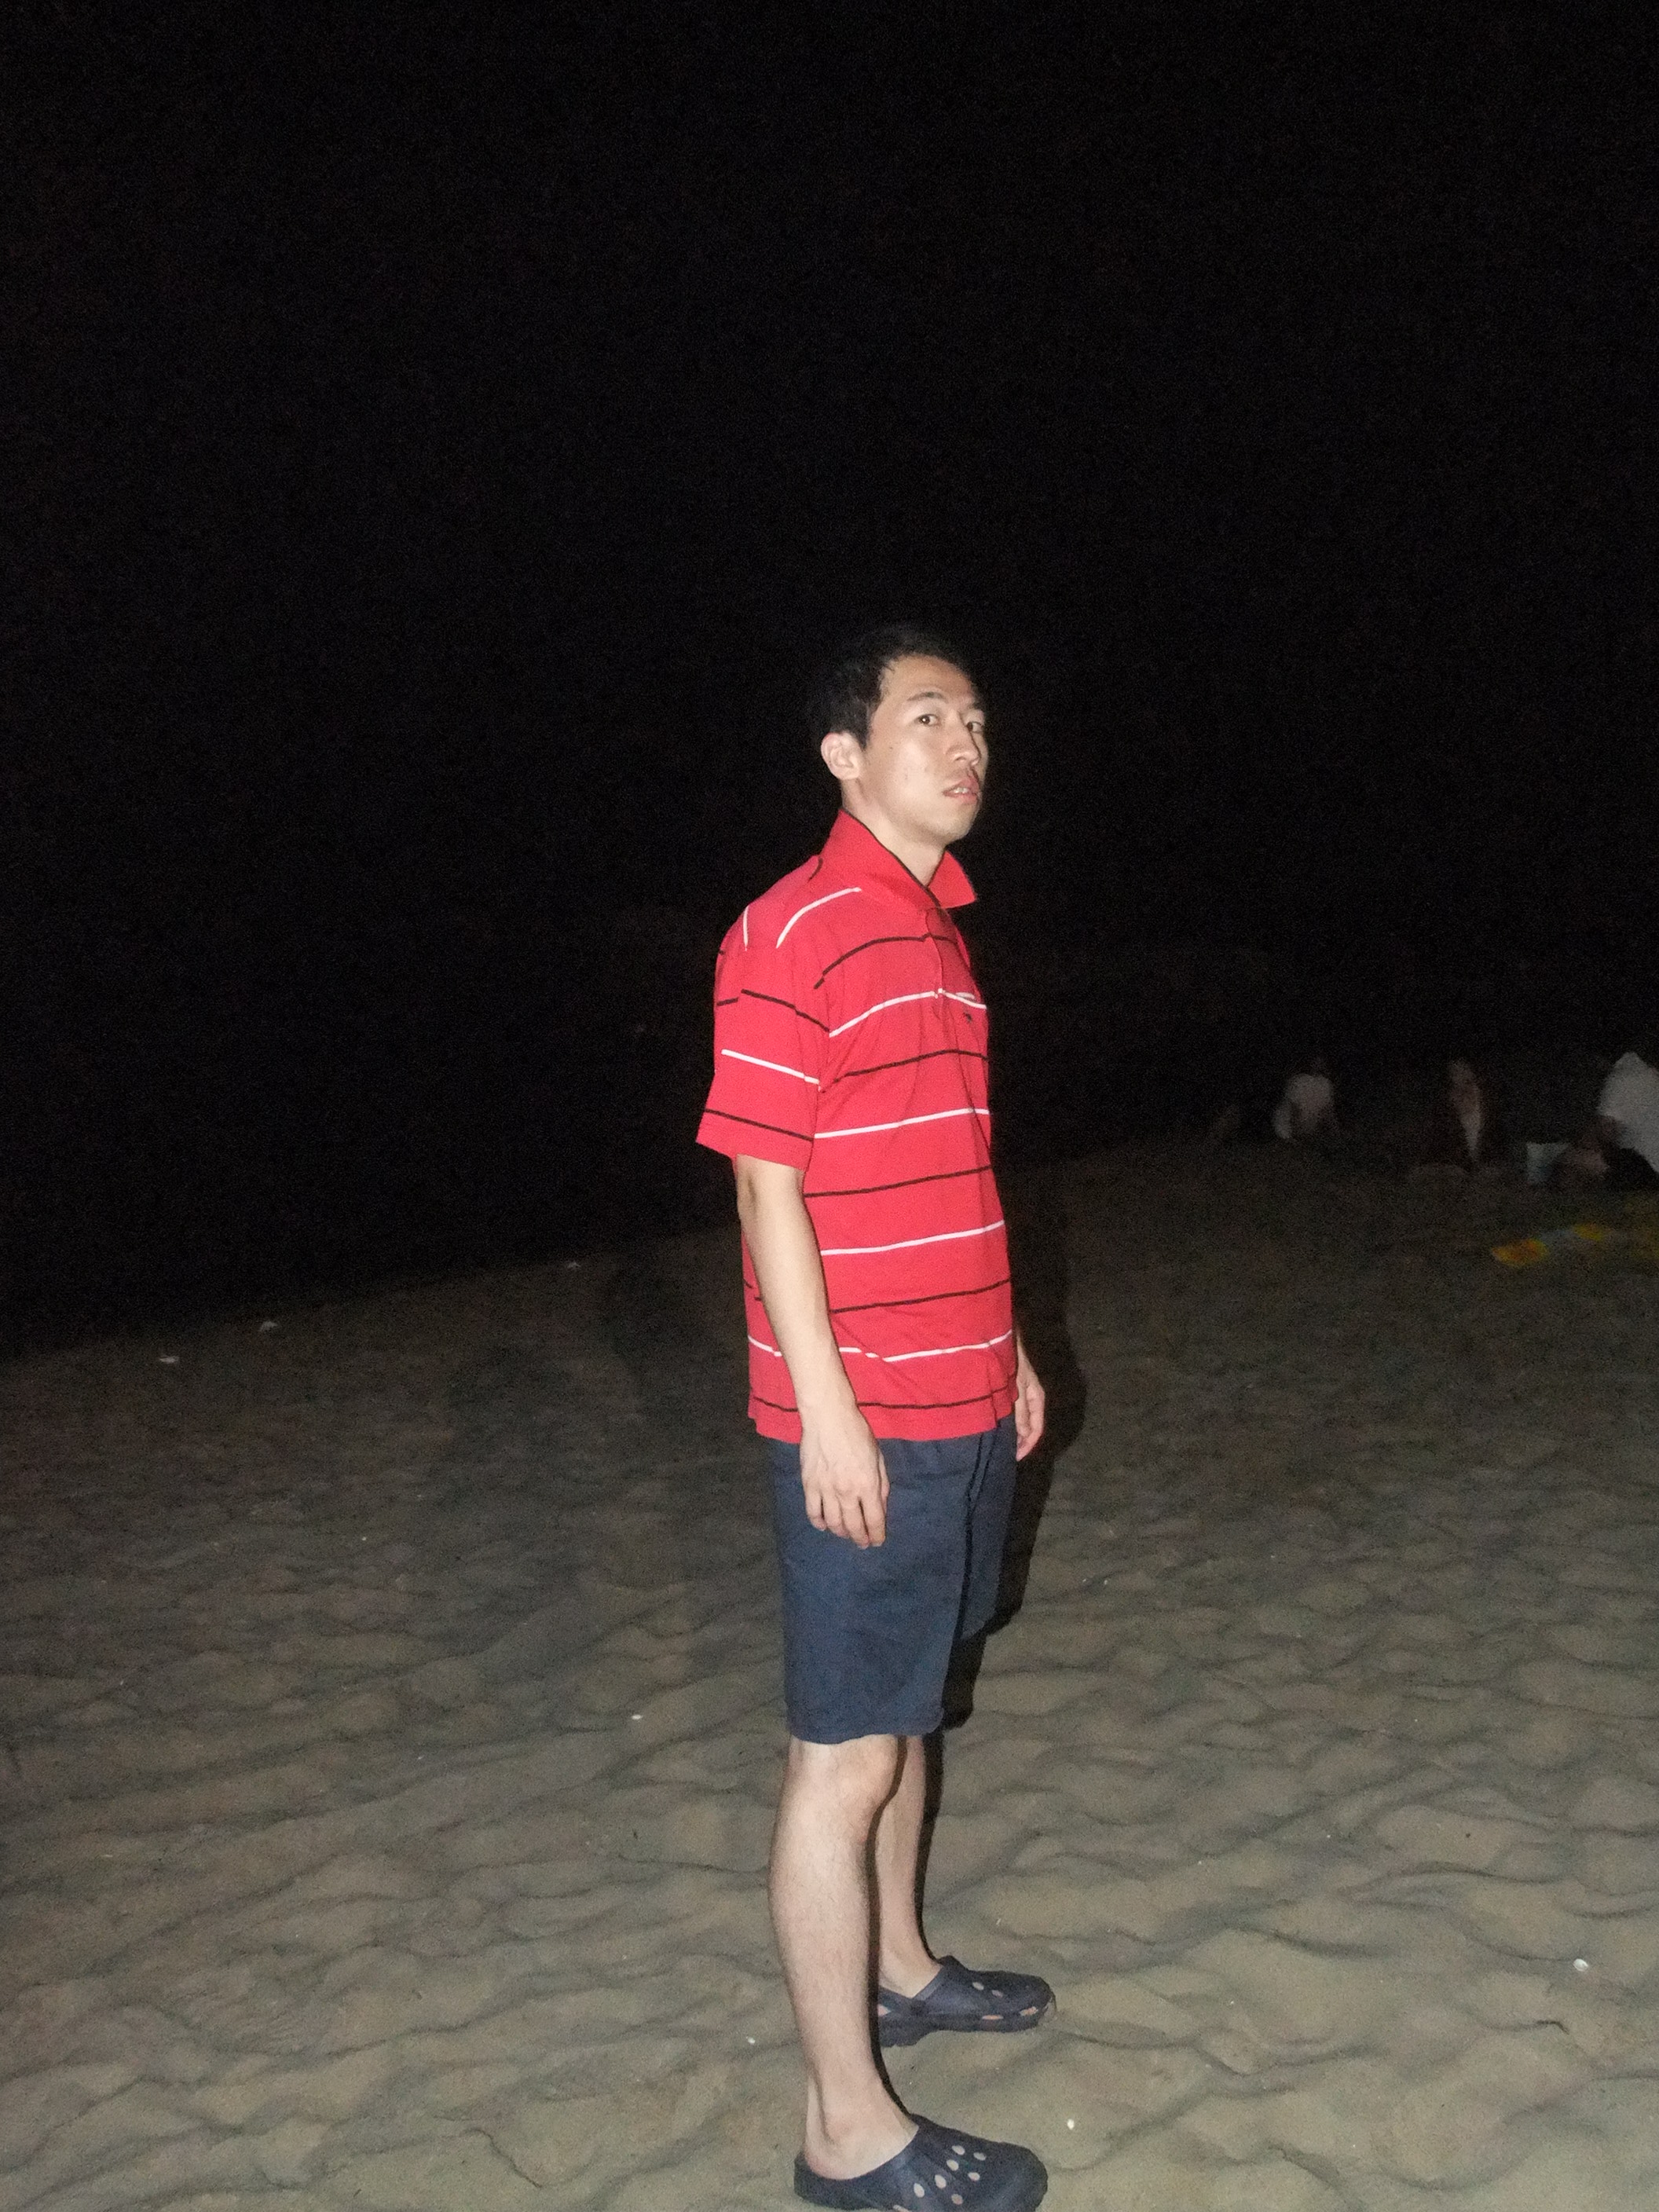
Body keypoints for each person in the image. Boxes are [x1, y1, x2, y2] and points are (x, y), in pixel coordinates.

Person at [698, 628, 1052, 2212]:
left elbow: (948, 1159)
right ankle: (845, 2130)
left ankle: (903, 1966)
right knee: (839, 1758)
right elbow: (764, 1186)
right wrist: (828, 1415)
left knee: (910, 1712)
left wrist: (1012, 1343)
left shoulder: (937, 928)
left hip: (963, 1395)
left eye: (972, 719)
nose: (964, 743)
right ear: (844, 753)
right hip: (866, 1419)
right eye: (926, 718)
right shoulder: (791, 927)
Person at [1575, 1045, 1659, 1189]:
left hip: (1646, 1169)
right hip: (1645, 1165)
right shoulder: (1649, 1074)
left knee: (1575, 1160)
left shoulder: (1621, 1078)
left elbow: (1605, 1129)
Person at [1271, 1056, 1339, 1143]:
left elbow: (1328, 1110)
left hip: (1309, 1131)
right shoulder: (1297, 1081)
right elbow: (1292, 1109)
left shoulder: (1325, 1083)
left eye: (1320, 1063)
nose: (1317, 1065)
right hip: (1289, 1131)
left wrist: (1335, 1132)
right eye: (1315, 1062)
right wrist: (1292, 1134)